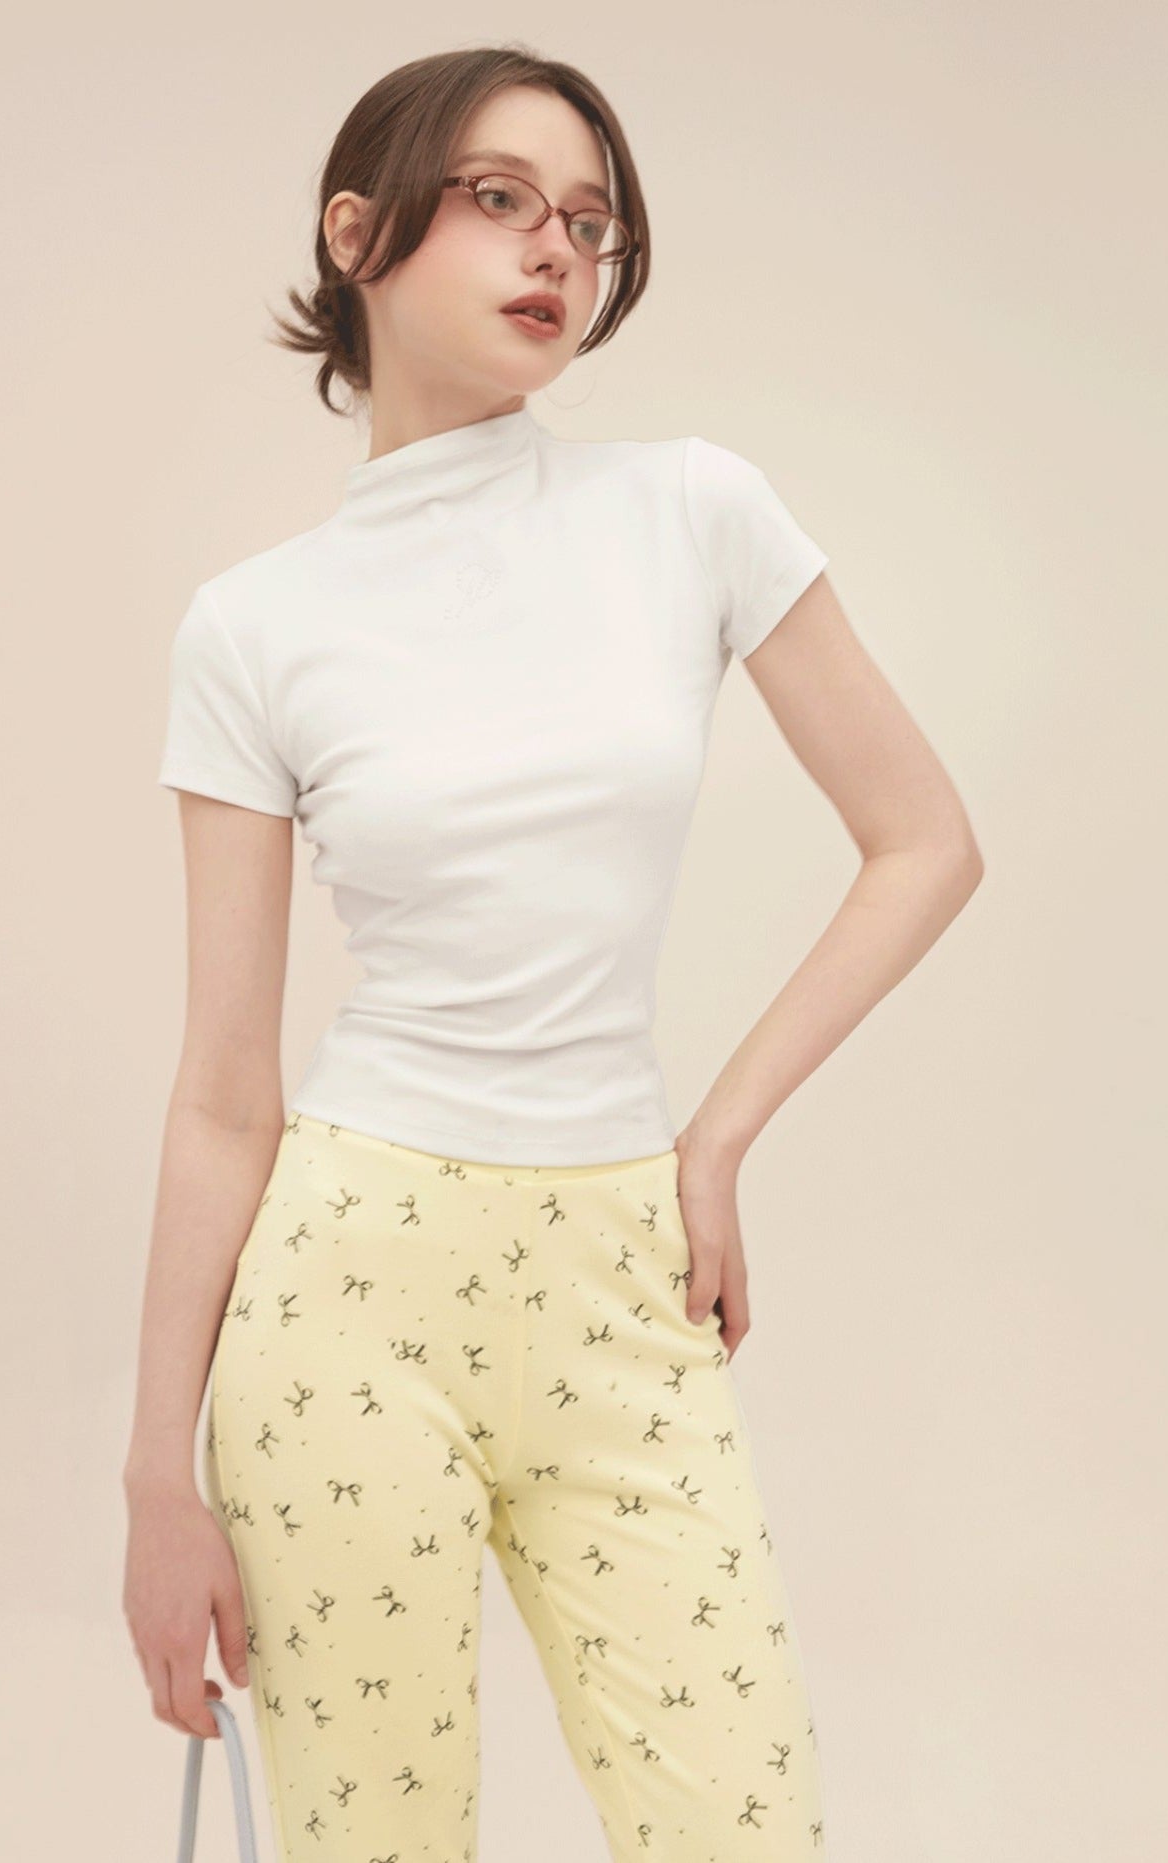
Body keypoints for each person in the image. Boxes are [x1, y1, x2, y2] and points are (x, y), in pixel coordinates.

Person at [122, 44, 983, 1863]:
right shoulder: (255, 628)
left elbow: (926, 843)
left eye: (590, 224)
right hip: (349, 1291)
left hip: (621, 1272)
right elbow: (222, 1096)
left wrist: (716, 1139)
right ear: (356, 233)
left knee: (746, 1829)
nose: (556, 253)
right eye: (502, 200)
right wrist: (154, 1480)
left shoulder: (691, 510)